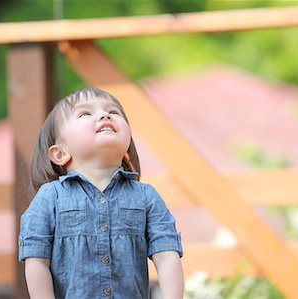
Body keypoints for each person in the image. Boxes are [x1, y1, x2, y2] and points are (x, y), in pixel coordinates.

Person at [18, 87, 184, 299]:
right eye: (85, 113)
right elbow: (36, 260)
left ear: (126, 151)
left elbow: (167, 255)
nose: (104, 115)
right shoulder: (50, 197)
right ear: (60, 153)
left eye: (113, 112)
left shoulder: (146, 196)